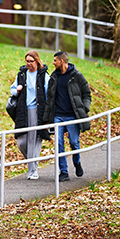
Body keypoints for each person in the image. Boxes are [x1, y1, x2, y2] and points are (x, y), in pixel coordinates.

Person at [42, 51, 91, 182]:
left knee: (74, 143)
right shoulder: (53, 77)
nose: (53, 63)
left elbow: (87, 94)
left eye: (55, 60)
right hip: (58, 116)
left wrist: (84, 109)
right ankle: (63, 172)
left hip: (72, 116)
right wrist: (47, 119)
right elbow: (50, 99)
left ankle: (77, 162)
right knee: (58, 144)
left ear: (62, 61)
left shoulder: (77, 76)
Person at [9, 50, 50, 180]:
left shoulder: (43, 75)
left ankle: (33, 172)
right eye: (27, 61)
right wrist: (17, 90)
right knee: (21, 142)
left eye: (31, 61)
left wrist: (48, 116)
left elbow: (49, 94)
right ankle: (33, 162)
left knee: (34, 141)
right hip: (23, 111)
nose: (29, 64)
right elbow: (12, 89)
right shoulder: (22, 74)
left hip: (37, 112)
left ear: (37, 61)